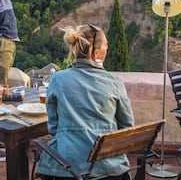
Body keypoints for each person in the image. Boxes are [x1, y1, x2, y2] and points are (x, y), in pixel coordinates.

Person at [36, 24, 134, 180]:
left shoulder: (58, 79)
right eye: (106, 46)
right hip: (109, 169)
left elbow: (53, 127)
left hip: (67, 168)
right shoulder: (115, 82)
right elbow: (127, 127)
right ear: (96, 54)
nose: (107, 49)